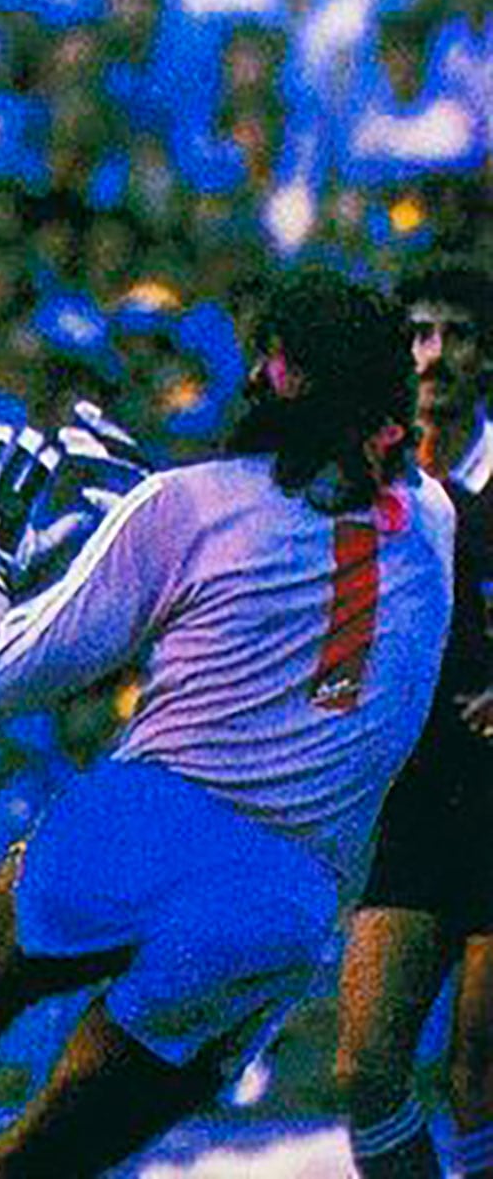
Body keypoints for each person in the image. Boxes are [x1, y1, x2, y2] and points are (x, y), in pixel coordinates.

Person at [0, 265, 453, 1179]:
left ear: (270, 372)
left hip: (147, 821)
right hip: (285, 896)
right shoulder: (431, 522)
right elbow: (309, 529)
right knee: (46, 1154)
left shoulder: (186, 508)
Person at [337, 259, 493, 1179]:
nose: (433, 359)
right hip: (411, 796)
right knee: (364, 1069)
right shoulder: (372, 480)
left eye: (457, 336)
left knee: (479, 1074)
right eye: (417, 336)